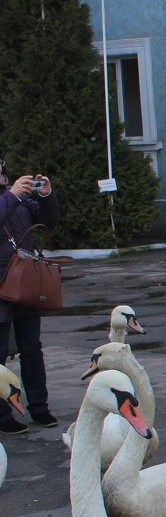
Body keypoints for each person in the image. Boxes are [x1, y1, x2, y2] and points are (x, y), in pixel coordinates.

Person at [0, 157, 59, 433]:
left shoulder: (18, 198)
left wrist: (46, 196)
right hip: (1, 285)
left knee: (32, 349)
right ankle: (3, 415)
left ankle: (39, 407)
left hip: (25, 281)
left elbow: (48, 220)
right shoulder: (11, 197)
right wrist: (11, 195)